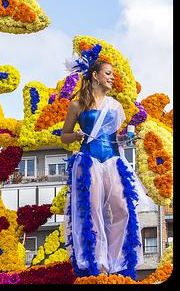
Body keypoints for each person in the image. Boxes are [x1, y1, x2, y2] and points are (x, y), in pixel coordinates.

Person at [60, 44, 153, 280]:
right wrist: (77, 135)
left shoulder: (116, 106)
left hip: (112, 160)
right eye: (108, 73)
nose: (112, 78)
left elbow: (117, 136)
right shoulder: (77, 104)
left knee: (122, 208)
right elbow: (64, 136)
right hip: (88, 161)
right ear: (95, 75)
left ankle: (116, 260)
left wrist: (127, 137)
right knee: (91, 212)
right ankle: (98, 263)